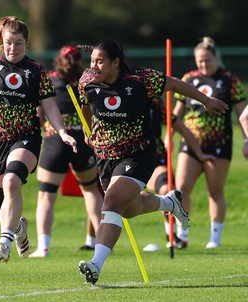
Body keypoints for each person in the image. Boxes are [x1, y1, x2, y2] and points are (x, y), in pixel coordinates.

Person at [75, 39, 228, 285]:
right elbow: (85, 105)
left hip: (138, 153)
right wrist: (87, 128)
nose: (94, 66)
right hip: (106, 155)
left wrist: (205, 100)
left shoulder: (141, 78)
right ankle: (169, 203)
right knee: (129, 209)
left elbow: (176, 84)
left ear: (116, 62)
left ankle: (95, 265)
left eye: (100, 61)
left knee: (112, 202)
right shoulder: (87, 80)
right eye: (92, 61)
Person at [0, 16, 77, 263]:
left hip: (26, 138)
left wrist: (62, 131)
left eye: (18, 43)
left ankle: (4, 243)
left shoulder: (36, 71)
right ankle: (18, 227)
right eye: (9, 42)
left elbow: (50, 107)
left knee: (11, 181)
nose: (13, 48)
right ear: (2, 41)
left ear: (26, 43)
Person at [173, 37, 247, 249]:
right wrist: (169, 136)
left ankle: (214, 238)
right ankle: (182, 234)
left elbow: (243, 114)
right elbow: (176, 114)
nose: (203, 64)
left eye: (207, 60)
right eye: (200, 61)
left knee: (215, 191)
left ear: (216, 58)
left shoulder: (230, 81)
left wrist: (247, 140)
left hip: (218, 144)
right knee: (181, 188)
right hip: (190, 142)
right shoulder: (188, 79)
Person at [29, 46, 103, 258]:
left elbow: (40, 114)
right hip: (83, 138)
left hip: (56, 140)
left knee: (46, 195)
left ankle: (43, 247)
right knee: (90, 190)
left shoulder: (48, 81)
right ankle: (101, 241)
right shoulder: (87, 81)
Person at [147, 96, 215, 248]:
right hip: (124, 159)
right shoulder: (119, 98)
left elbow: (182, 128)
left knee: (167, 189)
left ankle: (172, 235)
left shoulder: (155, 102)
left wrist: (201, 155)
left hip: (154, 159)